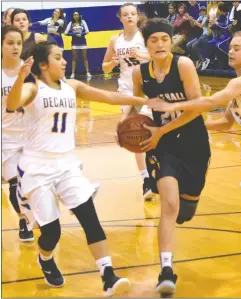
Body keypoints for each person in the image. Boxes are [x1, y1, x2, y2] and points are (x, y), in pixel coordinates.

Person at [6, 40, 150, 295]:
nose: (64, 61)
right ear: (43, 64)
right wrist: (19, 78)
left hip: (67, 165)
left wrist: (144, 99)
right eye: (58, 57)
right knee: (51, 233)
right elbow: (11, 103)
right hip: (37, 168)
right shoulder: (32, 88)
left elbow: (108, 96)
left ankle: (108, 274)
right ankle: (46, 258)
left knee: (90, 218)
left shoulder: (72, 86)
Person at [148, 30, 241, 288]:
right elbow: (223, 122)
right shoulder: (237, 84)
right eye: (230, 47)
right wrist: (183, 125)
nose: (230, 51)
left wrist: (172, 107)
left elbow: (211, 100)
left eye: (236, 47)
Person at [132, 18, 211, 295]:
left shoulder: (184, 65)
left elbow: (197, 106)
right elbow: (136, 105)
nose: (160, 44)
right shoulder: (140, 73)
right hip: (162, 145)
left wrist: (167, 115)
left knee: (184, 212)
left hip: (194, 144)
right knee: (169, 205)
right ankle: (166, 270)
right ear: (147, 44)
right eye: (153, 40)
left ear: (171, 40)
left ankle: (185, 208)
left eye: (164, 38)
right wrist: (129, 127)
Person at [102, 3, 154, 200]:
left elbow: (159, 56)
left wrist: (141, 55)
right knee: (136, 133)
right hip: (126, 89)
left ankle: (159, 168)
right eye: (126, 14)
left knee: (154, 131)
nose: (130, 16)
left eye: (133, 13)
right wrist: (113, 62)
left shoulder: (145, 36)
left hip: (148, 86)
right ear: (120, 18)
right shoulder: (115, 39)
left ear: (137, 16)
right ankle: (146, 179)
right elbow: (105, 67)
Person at [1, 25, 35, 242]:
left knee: (32, 182)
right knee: (15, 184)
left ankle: (35, 214)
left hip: (31, 135)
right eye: (10, 43)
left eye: (19, 43)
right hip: (5, 137)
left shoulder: (30, 70)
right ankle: (23, 219)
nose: (15, 47)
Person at [64, 11, 91, 79]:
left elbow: (87, 31)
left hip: (82, 42)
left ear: (79, 15)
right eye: (74, 15)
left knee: (85, 57)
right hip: (74, 42)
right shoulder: (71, 23)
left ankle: (87, 72)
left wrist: (81, 34)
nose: (76, 16)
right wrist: (74, 34)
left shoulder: (83, 22)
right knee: (74, 58)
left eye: (77, 15)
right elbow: (65, 33)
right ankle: (73, 73)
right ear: (73, 16)